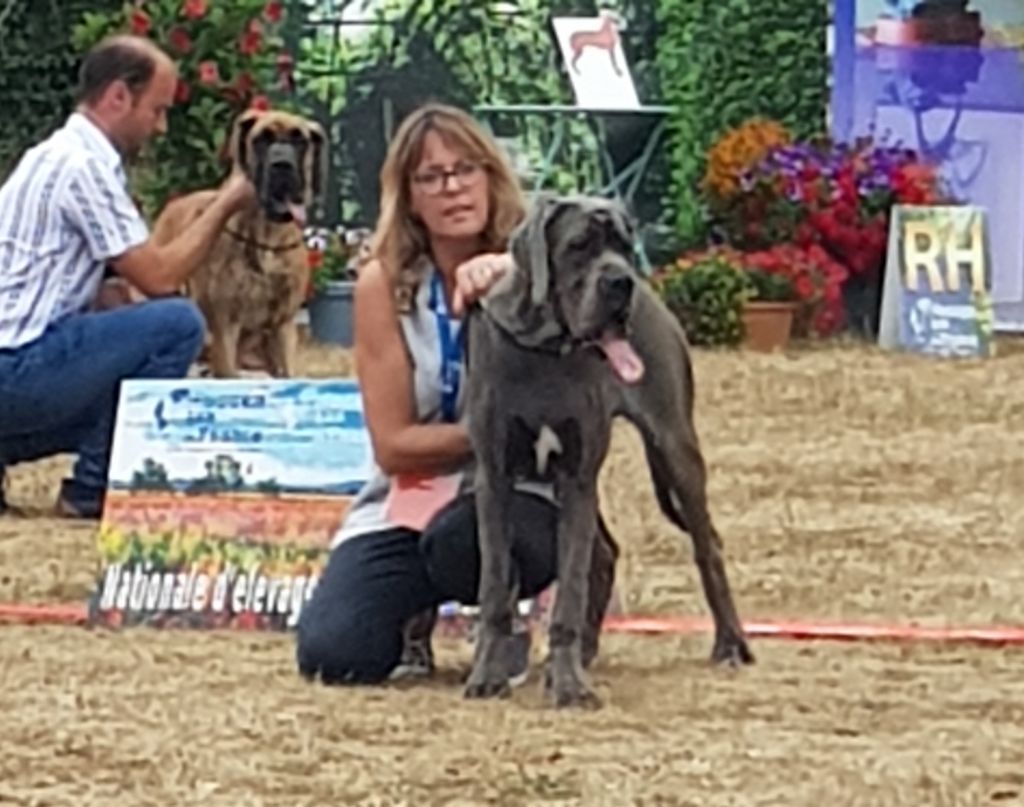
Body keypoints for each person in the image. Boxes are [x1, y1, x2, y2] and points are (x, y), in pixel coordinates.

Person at [295, 102, 618, 687]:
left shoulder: (542, 275)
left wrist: (510, 276)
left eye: (466, 169)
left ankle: (508, 628)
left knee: (461, 539)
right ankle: (413, 620)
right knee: (335, 652)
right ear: (408, 195)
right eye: (430, 176)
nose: (452, 188)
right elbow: (393, 446)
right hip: (409, 502)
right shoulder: (383, 285)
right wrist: (492, 434)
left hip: (525, 494)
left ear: (491, 177)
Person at [0, 34, 255, 517]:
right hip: (14, 372)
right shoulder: (83, 167)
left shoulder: (46, 156)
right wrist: (226, 202)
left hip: (13, 367)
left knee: (128, 321)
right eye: (156, 111)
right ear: (118, 96)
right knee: (176, 323)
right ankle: (92, 489)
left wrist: (108, 298)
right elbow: (159, 277)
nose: (159, 128)